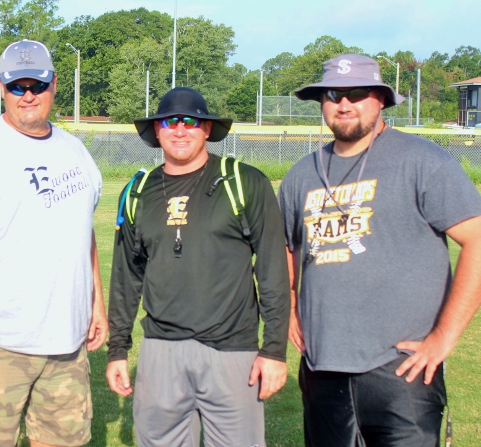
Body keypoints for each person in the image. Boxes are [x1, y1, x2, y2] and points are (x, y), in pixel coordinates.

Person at [278, 54, 481, 447]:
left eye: (356, 93)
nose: (343, 103)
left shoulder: (422, 160)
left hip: (401, 369)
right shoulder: (302, 174)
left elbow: (477, 238)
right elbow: (285, 246)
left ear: (381, 99)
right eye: (332, 94)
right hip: (322, 365)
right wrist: (288, 305)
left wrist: (444, 336)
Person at [0, 39, 107, 447]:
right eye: (17, 86)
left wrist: (97, 303)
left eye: (37, 85)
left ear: (54, 85)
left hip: (67, 346)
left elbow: (83, 232)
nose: (28, 95)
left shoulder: (75, 151)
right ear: (2, 87)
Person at [106, 87, 291, 447]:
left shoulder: (243, 182)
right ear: (156, 130)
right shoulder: (139, 191)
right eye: (169, 122)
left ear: (206, 128)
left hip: (231, 350)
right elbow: (126, 277)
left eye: (190, 121)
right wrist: (118, 350)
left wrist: (273, 351)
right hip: (161, 350)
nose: (180, 130)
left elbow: (272, 268)